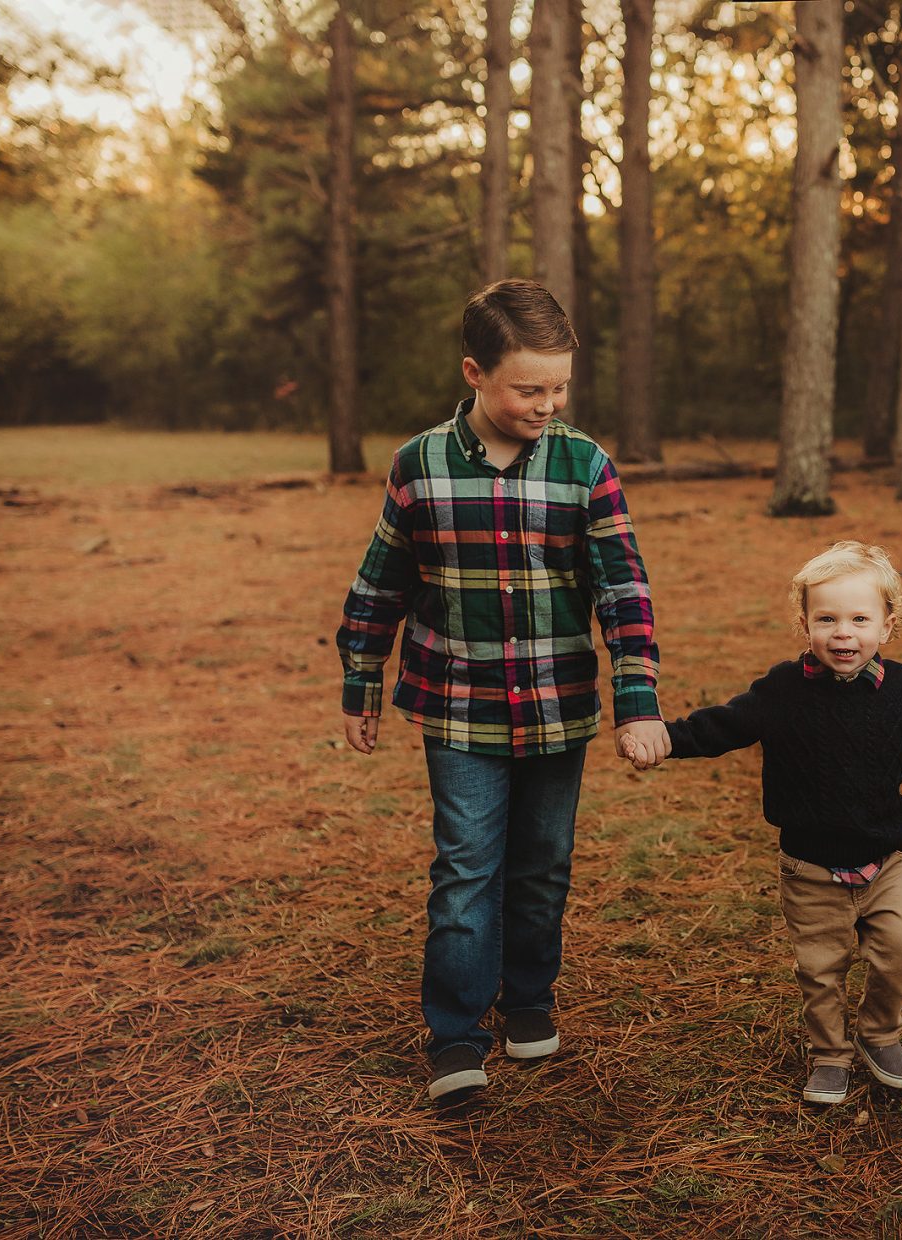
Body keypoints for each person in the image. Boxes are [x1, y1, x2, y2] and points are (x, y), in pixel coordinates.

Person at [337, 279, 669, 1103]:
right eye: (529, 388)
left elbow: (623, 589)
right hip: (458, 706)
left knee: (542, 868)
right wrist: (360, 678)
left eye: (559, 386)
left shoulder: (584, 463)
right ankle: (456, 1032)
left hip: (559, 705)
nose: (547, 403)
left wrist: (637, 701)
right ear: (475, 373)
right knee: (465, 870)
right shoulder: (419, 465)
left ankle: (527, 1000)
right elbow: (381, 580)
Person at [622, 542, 902, 1104]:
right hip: (808, 866)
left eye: (860, 619)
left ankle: (880, 1034)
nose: (843, 633)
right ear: (804, 623)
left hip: (886, 861)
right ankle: (829, 1053)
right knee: (821, 967)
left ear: (888, 624)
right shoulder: (781, 691)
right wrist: (661, 738)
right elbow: (721, 727)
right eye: (827, 618)